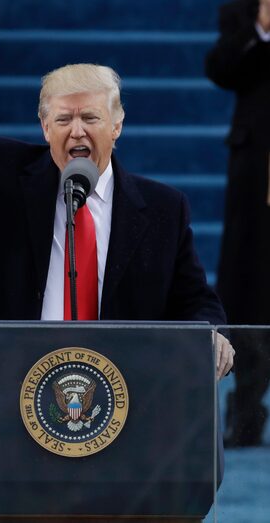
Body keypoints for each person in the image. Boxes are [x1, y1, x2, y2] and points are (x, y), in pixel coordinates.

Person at [0, 39, 234, 522]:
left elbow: (196, 301)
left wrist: (211, 335)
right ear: (44, 128)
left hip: (114, 409)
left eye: (90, 118)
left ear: (117, 125)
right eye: (63, 119)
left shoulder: (163, 209)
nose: (77, 131)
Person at [206, 0, 270, 446]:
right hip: (256, 173)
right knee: (250, 287)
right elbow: (221, 68)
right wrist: (262, 27)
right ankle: (246, 411)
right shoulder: (241, 12)